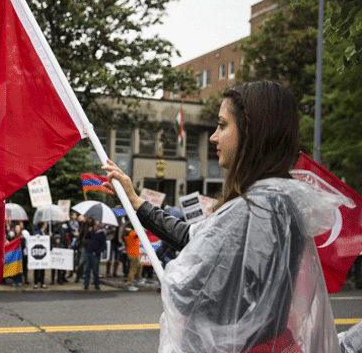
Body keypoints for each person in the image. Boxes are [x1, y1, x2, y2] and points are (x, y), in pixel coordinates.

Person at [103, 80, 351, 352]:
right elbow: (194, 238)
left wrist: (180, 279)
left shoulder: (258, 208)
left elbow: (199, 296)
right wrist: (138, 202)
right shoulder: (271, 202)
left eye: (222, 125)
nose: (213, 137)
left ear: (251, 132)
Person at [83, 219, 106, 291]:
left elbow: (103, 246)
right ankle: (86, 284)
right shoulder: (92, 232)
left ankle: (97, 284)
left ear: (98, 227)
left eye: (95, 226)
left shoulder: (102, 234)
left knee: (95, 270)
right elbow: (86, 237)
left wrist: (97, 252)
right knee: (87, 269)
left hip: (95, 254)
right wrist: (89, 231)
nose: (94, 227)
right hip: (89, 252)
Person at [31, 222, 48, 289]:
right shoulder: (36, 232)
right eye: (45, 224)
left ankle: (42, 282)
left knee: (42, 268)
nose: (46, 225)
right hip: (37, 252)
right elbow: (33, 237)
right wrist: (36, 236)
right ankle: (36, 283)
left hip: (43, 253)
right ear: (43, 225)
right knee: (36, 268)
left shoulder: (46, 232)